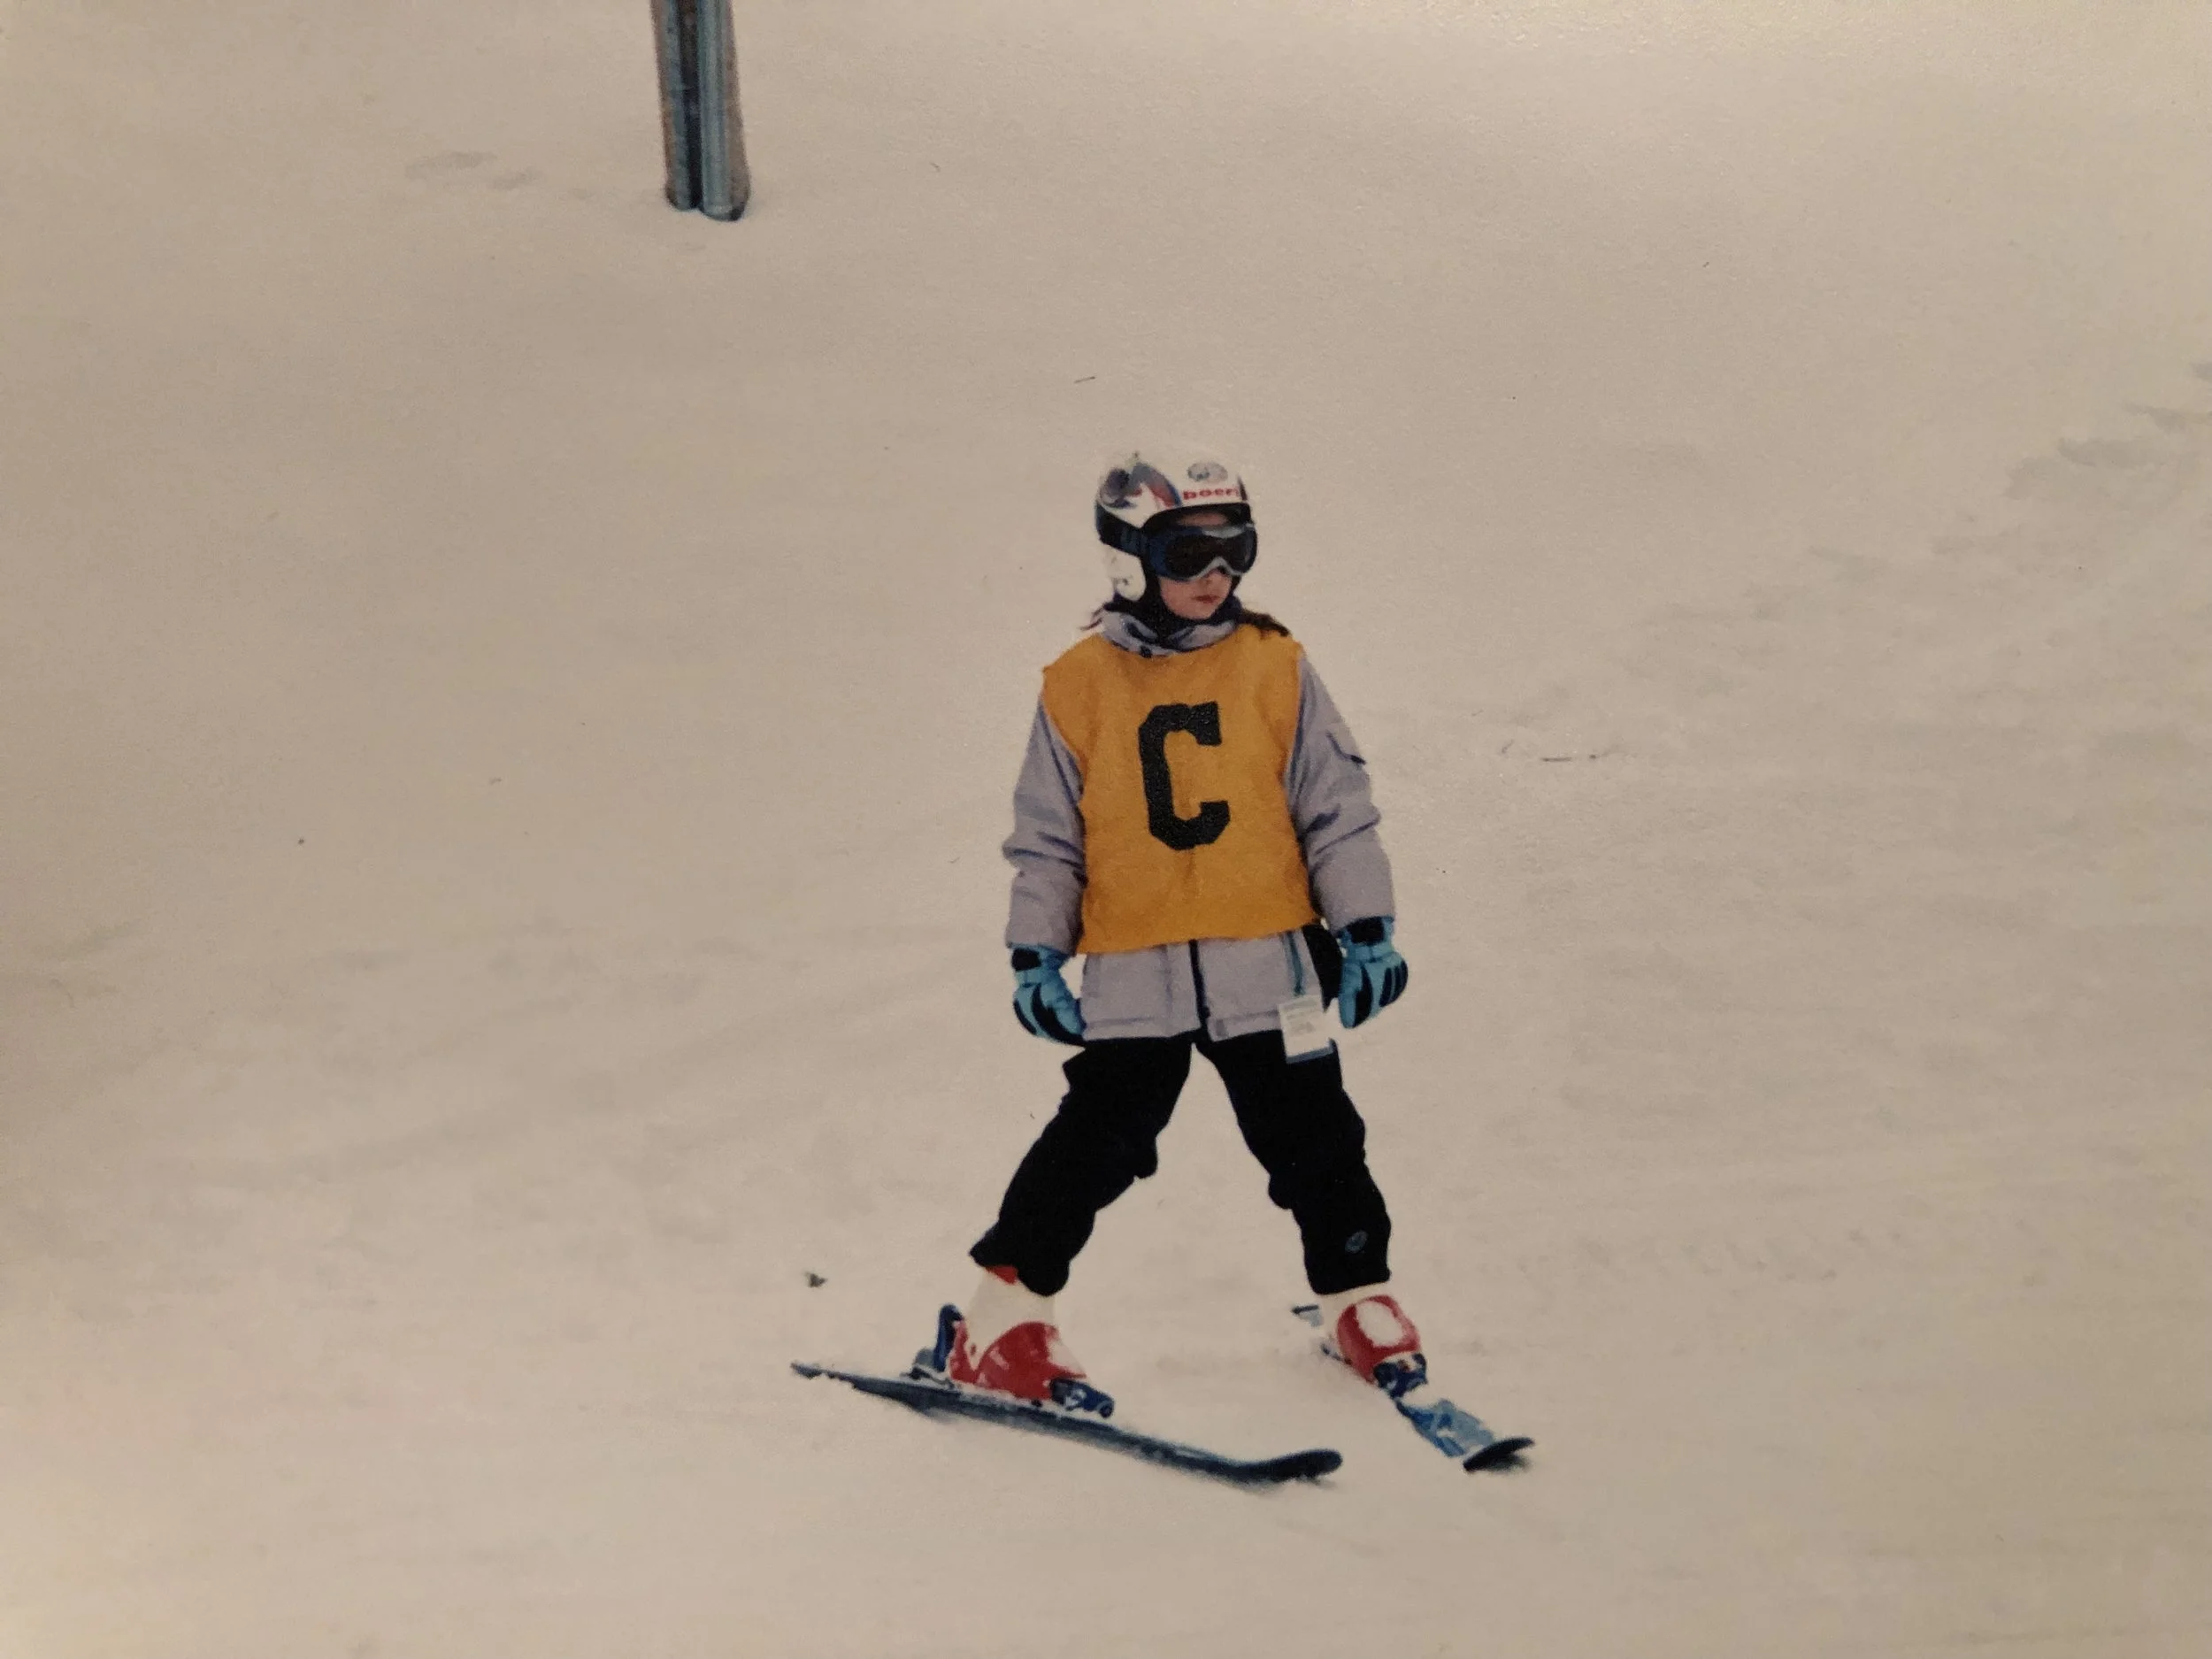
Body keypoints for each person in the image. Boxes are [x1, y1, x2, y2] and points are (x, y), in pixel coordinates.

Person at [916, 448, 1425, 1415]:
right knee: (1098, 1143)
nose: (1214, 577)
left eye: (1235, 552)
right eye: (1189, 553)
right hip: (1134, 969)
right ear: (1127, 556)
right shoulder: (1076, 684)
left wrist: (1365, 927)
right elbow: (1048, 837)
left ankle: (1358, 1298)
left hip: (1266, 958)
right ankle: (998, 1322)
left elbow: (1336, 805)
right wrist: (1036, 956)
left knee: (1316, 1139)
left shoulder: (1277, 665)